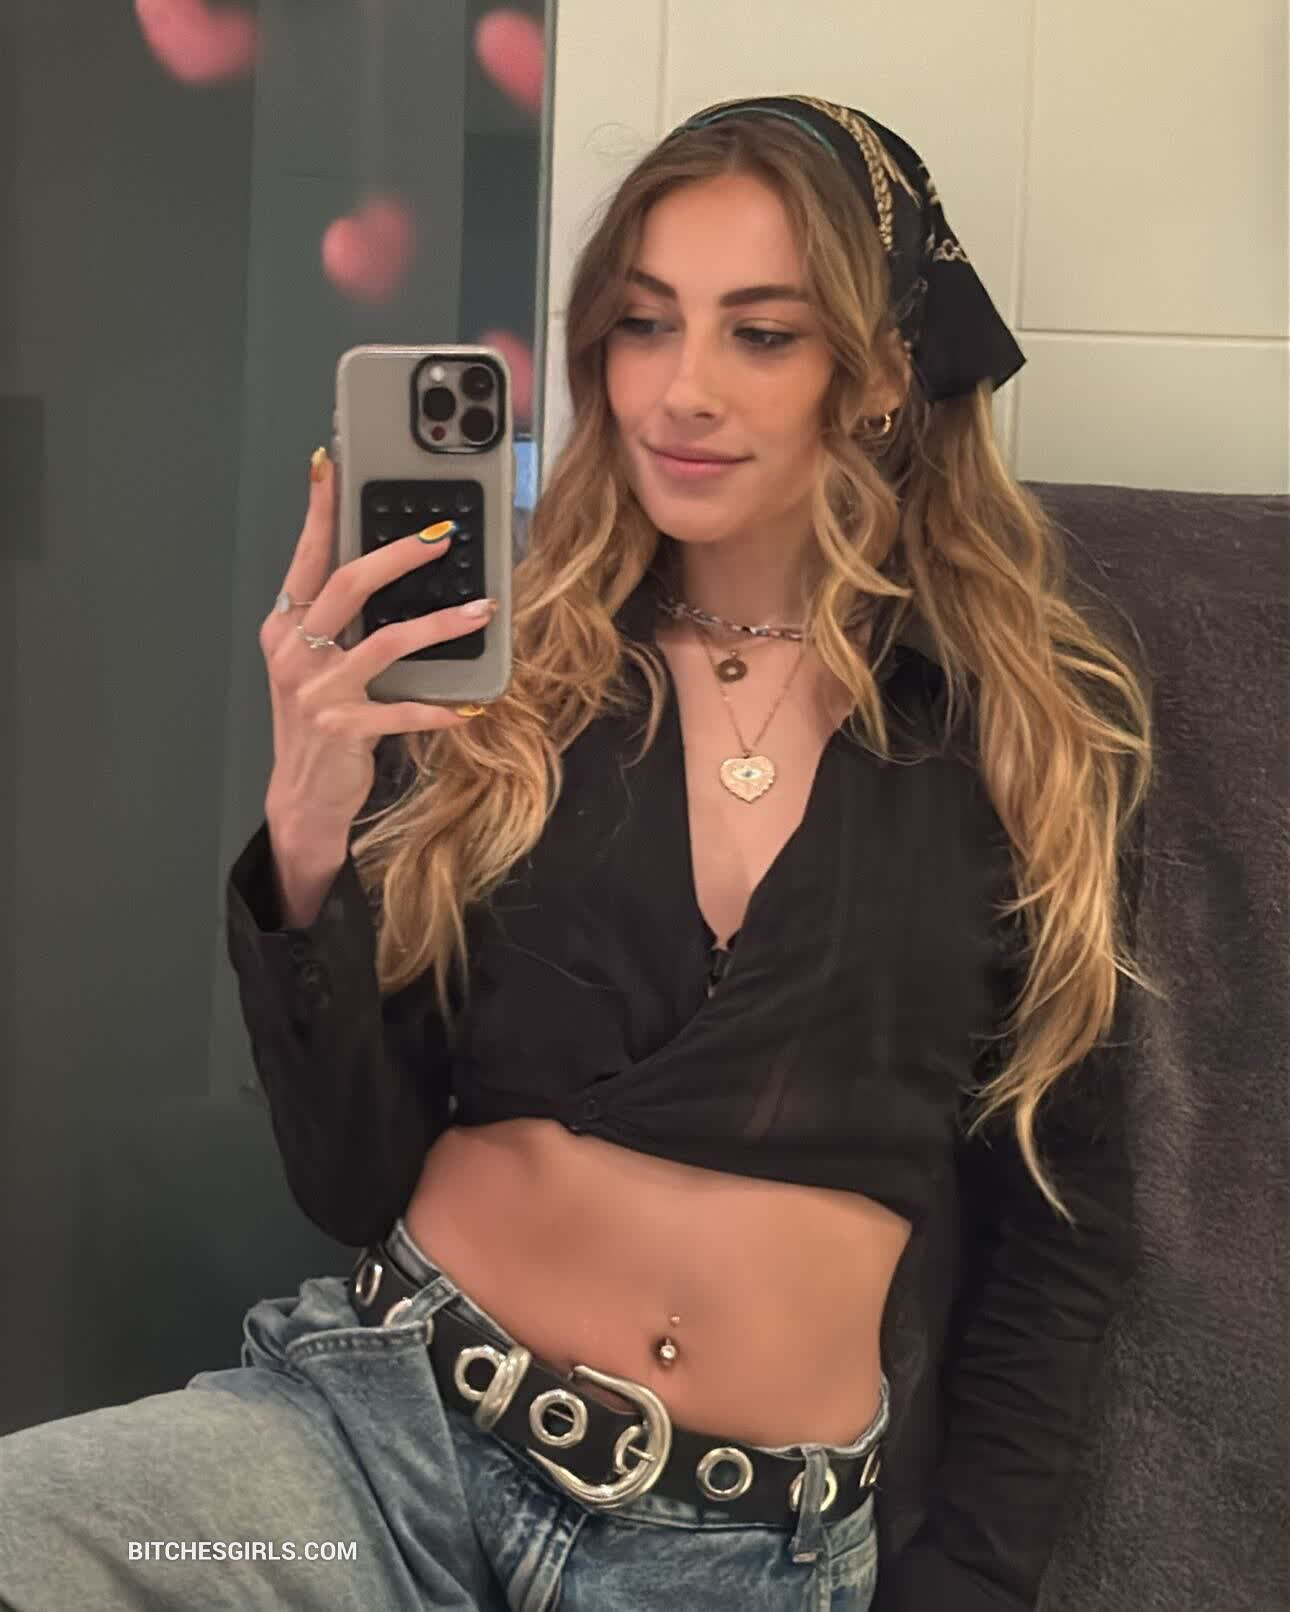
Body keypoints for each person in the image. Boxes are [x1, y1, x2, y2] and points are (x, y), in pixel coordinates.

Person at [0, 94, 1154, 1612]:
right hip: (371, 1457)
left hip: (732, 1552)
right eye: (642, 324)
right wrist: (308, 827)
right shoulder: (508, 688)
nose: (681, 389)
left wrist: (972, 1584)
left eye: (761, 334)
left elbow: (1063, 1229)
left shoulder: (1022, 733)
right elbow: (350, 1176)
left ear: (877, 375)